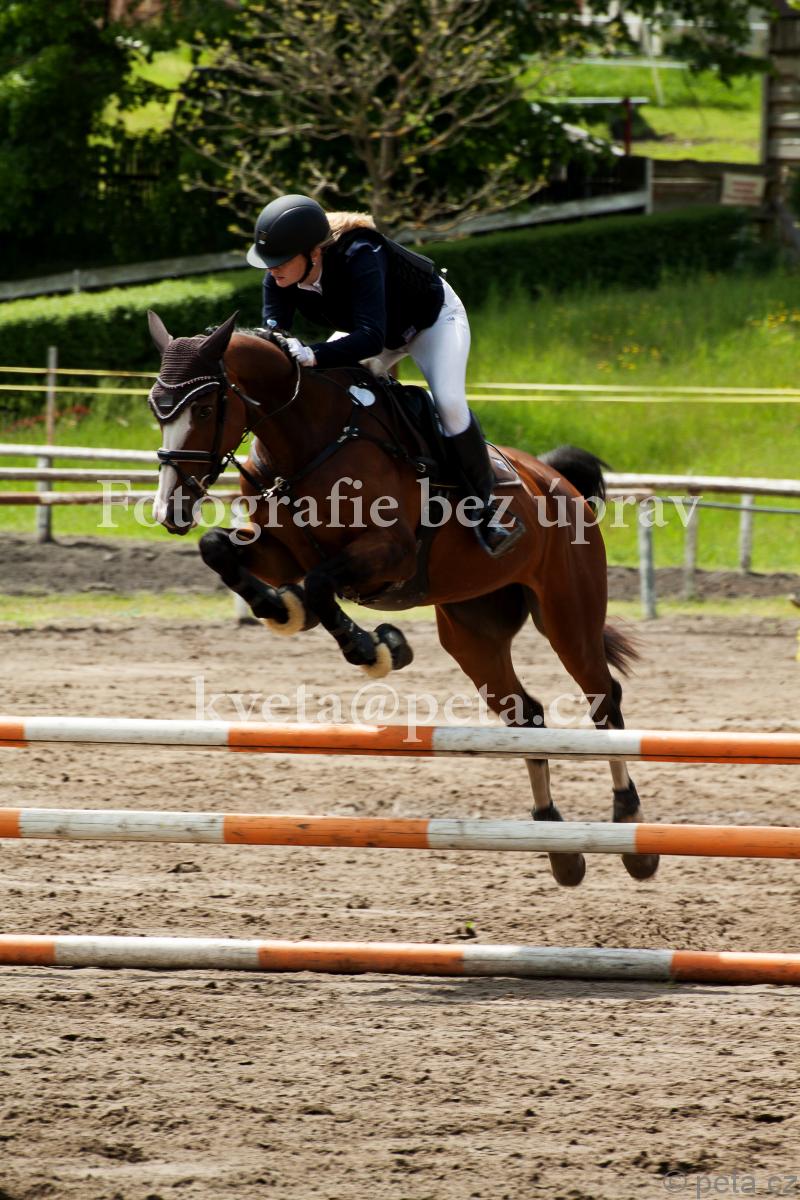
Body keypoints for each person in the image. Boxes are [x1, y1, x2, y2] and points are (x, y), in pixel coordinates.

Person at [246, 193, 523, 556]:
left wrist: (313, 353)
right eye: (268, 262)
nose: (272, 270)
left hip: (430, 323)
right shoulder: (279, 277)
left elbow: (371, 338)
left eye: (280, 261)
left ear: (313, 253)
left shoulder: (360, 253)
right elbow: (276, 339)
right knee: (330, 391)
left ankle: (485, 512)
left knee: (451, 405)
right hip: (371, 331)